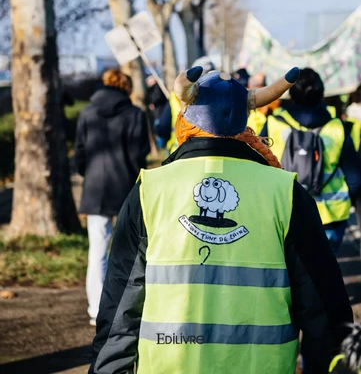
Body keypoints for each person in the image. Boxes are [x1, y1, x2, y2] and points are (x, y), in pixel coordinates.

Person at [90, 66, 352, 374]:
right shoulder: (284, 192)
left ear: (184, 119)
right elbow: (324, 310)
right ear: (246, 122)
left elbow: (121, 304)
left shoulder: (151, 190)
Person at [74, 68, 150, 326]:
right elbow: (140, 153)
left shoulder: (87, 112)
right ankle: (126, 306)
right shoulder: (135, 114)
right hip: (127, 187)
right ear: (126, 88)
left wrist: (91, 175)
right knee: (130, 250)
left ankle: (97, 310)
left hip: (95, 189)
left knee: (97, 251)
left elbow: (80, 155)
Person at [262, 68, 361, 255]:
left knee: (292, 277)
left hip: (285, 214)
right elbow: (354, 177)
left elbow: (258, 168)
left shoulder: (273, 124)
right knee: (325, 274)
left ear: (291, 95)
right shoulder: (337, 127)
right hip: (330, 216)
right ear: (321, 94)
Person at [155, 56, 216, 153]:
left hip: (179, 152)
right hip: (213, 152)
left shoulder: (176, 96)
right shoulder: (221, 96)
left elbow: (163, 126)